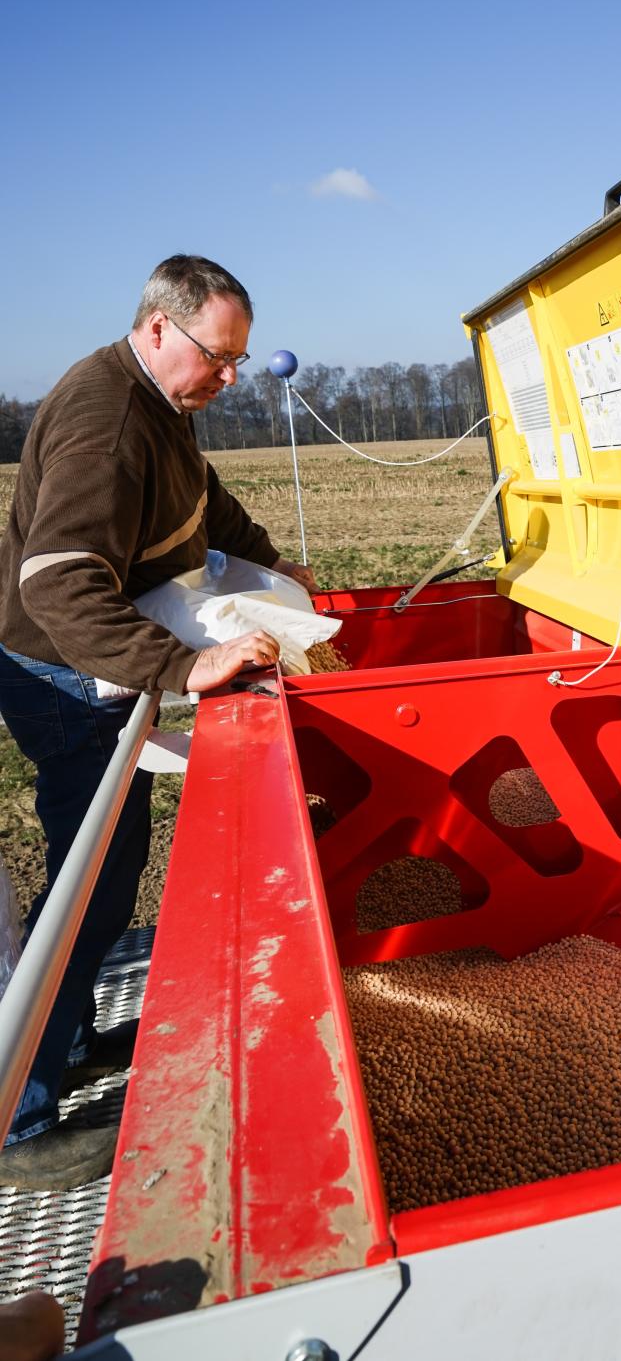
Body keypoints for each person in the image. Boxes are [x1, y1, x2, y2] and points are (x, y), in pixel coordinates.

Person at [0, 255, 315, 1191]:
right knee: (89, 874)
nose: (228, 377)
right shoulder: (107, 424)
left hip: (90, 663)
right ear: (156, 329)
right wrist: (184, 665)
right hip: (57, 670)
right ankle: (21, 1119)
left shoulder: (164, 409)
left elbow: (204, 508)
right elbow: (55, 582)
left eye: (238, 363)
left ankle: (77, 1033)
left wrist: (282, 577)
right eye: (218, 358)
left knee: (109, 864)